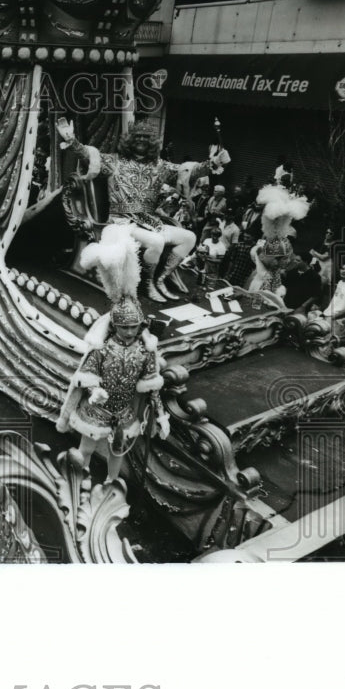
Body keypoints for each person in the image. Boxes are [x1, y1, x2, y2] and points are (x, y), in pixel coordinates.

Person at [56, 117, 215, 302]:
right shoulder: (114, 162)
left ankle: (161, 279)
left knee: (190, 237)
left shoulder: (160, 166)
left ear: (152, 142)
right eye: (137, 136)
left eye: (146, 137)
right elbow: (87, 155)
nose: (141, 140)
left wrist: (211, 164)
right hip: (121, 223)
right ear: (129, 140)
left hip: (149, 221)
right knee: (156, 241)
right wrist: (72, 141)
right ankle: (148, 284)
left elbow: (187, 171)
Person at [56, 224, 169, 486]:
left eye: (134, 326)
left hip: (124, 412)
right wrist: (94, 390)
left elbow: (152, 388)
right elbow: (86, 376)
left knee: (117, 452)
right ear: (115, 325)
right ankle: (78, 477)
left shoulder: (145, 351)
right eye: (124, 326)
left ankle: (111, 482)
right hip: (96, 410)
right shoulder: (104, 349)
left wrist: (162, 415)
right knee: (86, 449)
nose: (130, 331)